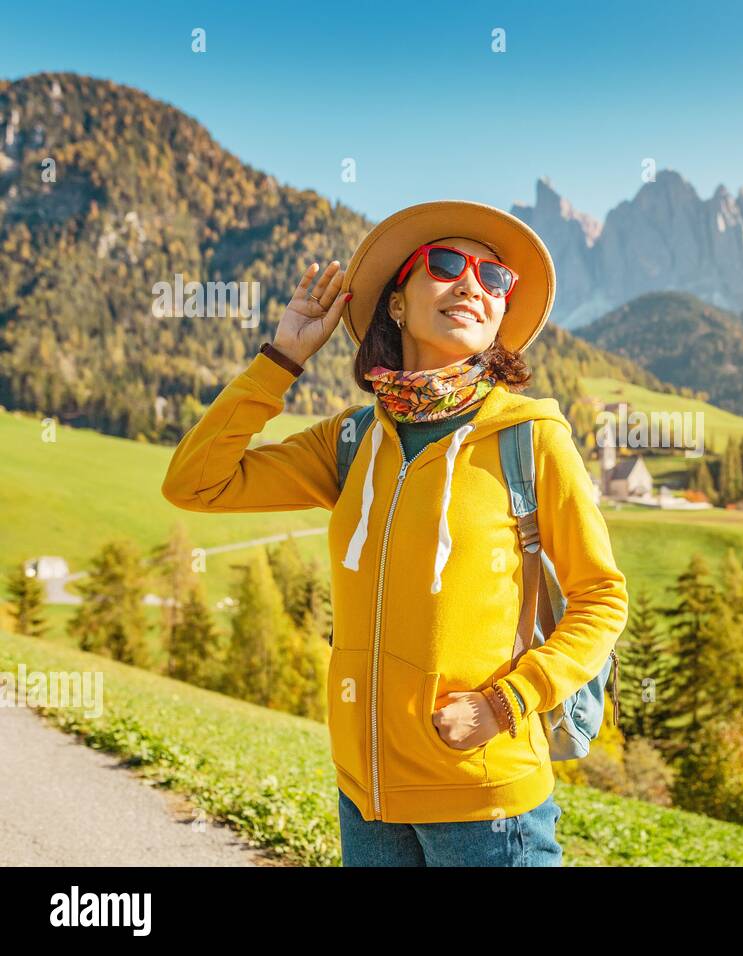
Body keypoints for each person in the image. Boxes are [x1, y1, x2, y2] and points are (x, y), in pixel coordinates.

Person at [162, 200, 629, 866]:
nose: (472, 284)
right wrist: (282, 359)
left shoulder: (532, 439)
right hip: (367, 799)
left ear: (499, 317)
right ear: (398, 304)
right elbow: (195, 482)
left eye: (495, 278)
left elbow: (602, 599)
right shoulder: (350, 443)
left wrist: (506, 704)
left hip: (486, 804)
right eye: (445, 264)